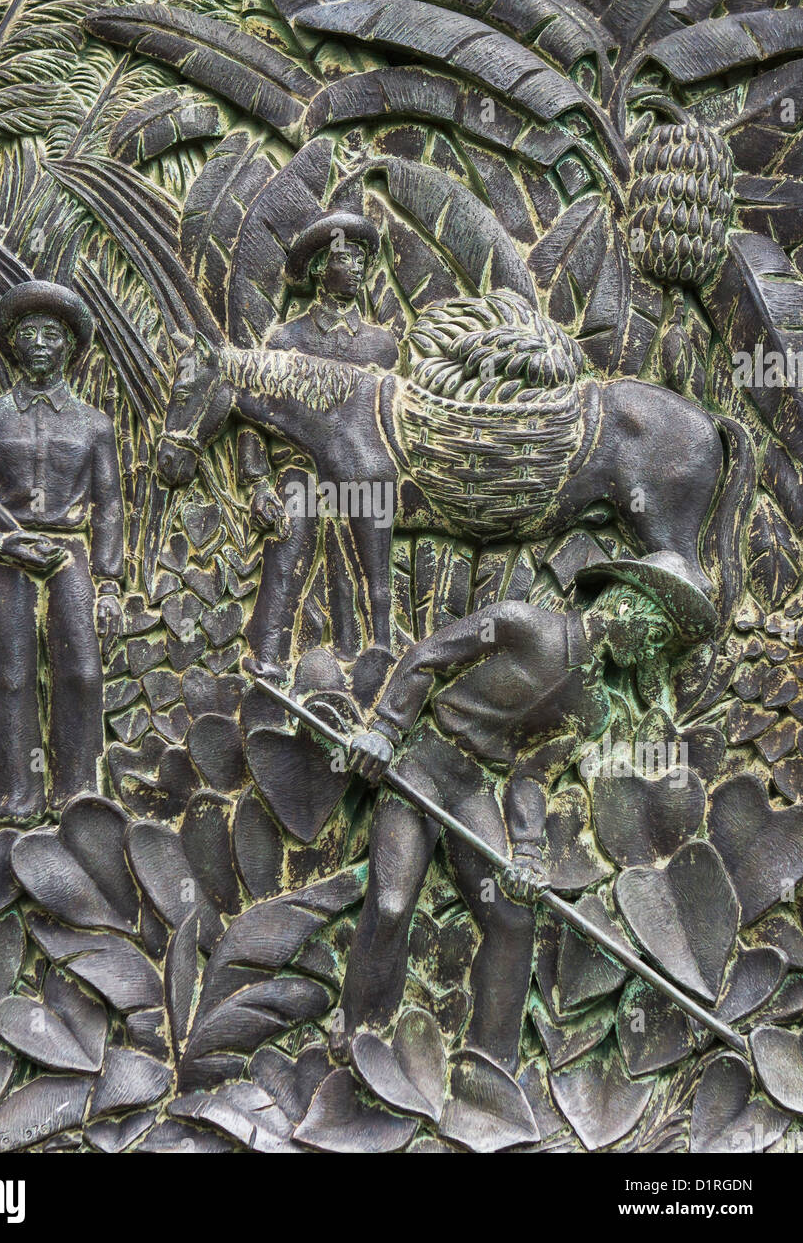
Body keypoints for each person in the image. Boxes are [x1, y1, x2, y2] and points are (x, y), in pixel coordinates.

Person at [338, 551, 717, 1073]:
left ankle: (488, 1066)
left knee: (513, 920)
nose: (653, 654)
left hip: (475, 790)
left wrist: (530, 854)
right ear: (625, 607)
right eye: (656, 636)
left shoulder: (594, 709)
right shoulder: (520, 625)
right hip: (423, 761)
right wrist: (385, 729)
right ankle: (359, 1031)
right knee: (394, 898)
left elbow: (532, 777)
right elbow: (428, 657)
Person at [0, 280, 123, 819]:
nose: (41, 342)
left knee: (82, 674)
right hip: (7, 558)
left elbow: (109, 507)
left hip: (71, 557)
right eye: (29, 334)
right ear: (13, 345)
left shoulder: (94, 424)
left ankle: (77, 797)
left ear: (69, 345)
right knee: (13, 676)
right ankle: (16, 800)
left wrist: (109, 585)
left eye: (52, 333)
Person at [241, 210, 398, 681]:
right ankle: (269, 658)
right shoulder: (286, 339)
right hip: (301, 473)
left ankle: (376, 658)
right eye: (344, 259)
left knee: (372, 567)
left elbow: (393, 418)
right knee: (287, 553)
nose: (356, 269)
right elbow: (252, 413)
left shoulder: (381, 345)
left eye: (361, 261)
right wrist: (256, 481)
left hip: (362, 476)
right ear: (317, 270)